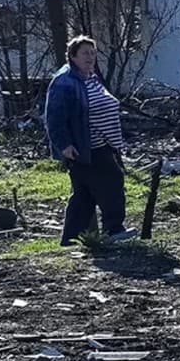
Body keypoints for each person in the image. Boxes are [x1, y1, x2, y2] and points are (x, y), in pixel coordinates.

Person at [44, 36, 135, 244]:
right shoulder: (65, 81)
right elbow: (54, 117)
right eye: (85, 53)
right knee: (112, 184)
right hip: (86, 147)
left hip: (102, 144)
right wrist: (64, 145)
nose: (90, 57)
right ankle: (114, 229)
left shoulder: (88, 77)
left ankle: (70, 239)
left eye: (93, 53)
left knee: (84, 196)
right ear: (73, 56)